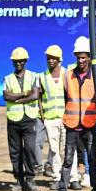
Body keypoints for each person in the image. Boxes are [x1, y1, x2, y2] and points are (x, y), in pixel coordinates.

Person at [59, 37, 96, 191]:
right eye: (78, 57)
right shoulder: (68, 75)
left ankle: (95, 189)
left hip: (89, 124)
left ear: (89, 57)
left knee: (92, 159)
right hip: (71, 124)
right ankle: (62, 189)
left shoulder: (95, 77)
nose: (81, 60)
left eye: (83, 57)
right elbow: (66, 97)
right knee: (68, 158)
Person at [3, 47, 41, 191]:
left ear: (25, 61)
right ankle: (19, 180)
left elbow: (35, 96)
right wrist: (25, 93)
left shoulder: (33, 76)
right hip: (13, 119)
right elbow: (7, 96)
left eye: (21, 61)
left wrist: (17, 98)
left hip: (29, 118)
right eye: (16, 61)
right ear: (13, 62)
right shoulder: (7, 78)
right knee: (15, 151)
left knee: (30, 149)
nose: (18, 63)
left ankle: (30, 179)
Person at [38, 44, 66, 181]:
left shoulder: (66, 74)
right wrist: (43, 117)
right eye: (48, 58)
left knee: (65, 148)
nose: (50, 61)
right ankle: (57, 175)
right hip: (50, 119)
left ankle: (70, 176)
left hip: (65, 118)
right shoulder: (42, 76)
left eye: (53, 58)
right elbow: (39, 97)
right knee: (54, 150)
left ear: (59, 59)